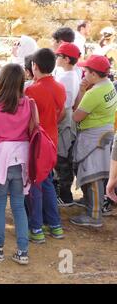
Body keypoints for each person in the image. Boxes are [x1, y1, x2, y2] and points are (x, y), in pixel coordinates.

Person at [0, 63, 33, 265]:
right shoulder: (29, 103)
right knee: (19, 206)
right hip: (22, 158)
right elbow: (33, 131)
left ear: (1, 81)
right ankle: (22, 251)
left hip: (0, 158)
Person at [70, 55, 117, 227]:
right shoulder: (108, 85)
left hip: (93, 135)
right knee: (98, 171)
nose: (83, 73)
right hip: (105, 131)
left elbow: (76, 116)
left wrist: (83, 91)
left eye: (86, 71)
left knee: (93, 173)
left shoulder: (94, 92)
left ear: (94, 75)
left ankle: (94, 215)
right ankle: (91, 203)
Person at [25, 48, 66, 243]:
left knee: (35, 184)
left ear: (35, 66)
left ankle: (36, 227)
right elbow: (60, 113)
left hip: (36, 143)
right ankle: (55, 226)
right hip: (52, 141)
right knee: (47, 182)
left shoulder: (31, 90)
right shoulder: (60, 87)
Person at [53, 42, 81, 207]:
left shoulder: (65, 77)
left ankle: (64, 195)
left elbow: (62, 106)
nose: (57, 58)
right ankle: (64, 193)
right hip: (68, 115)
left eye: (59, 56)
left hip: (63, 117)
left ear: (66, 59)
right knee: (63, 156)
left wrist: (53, 123)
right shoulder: (74, 74)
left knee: (61, 157)